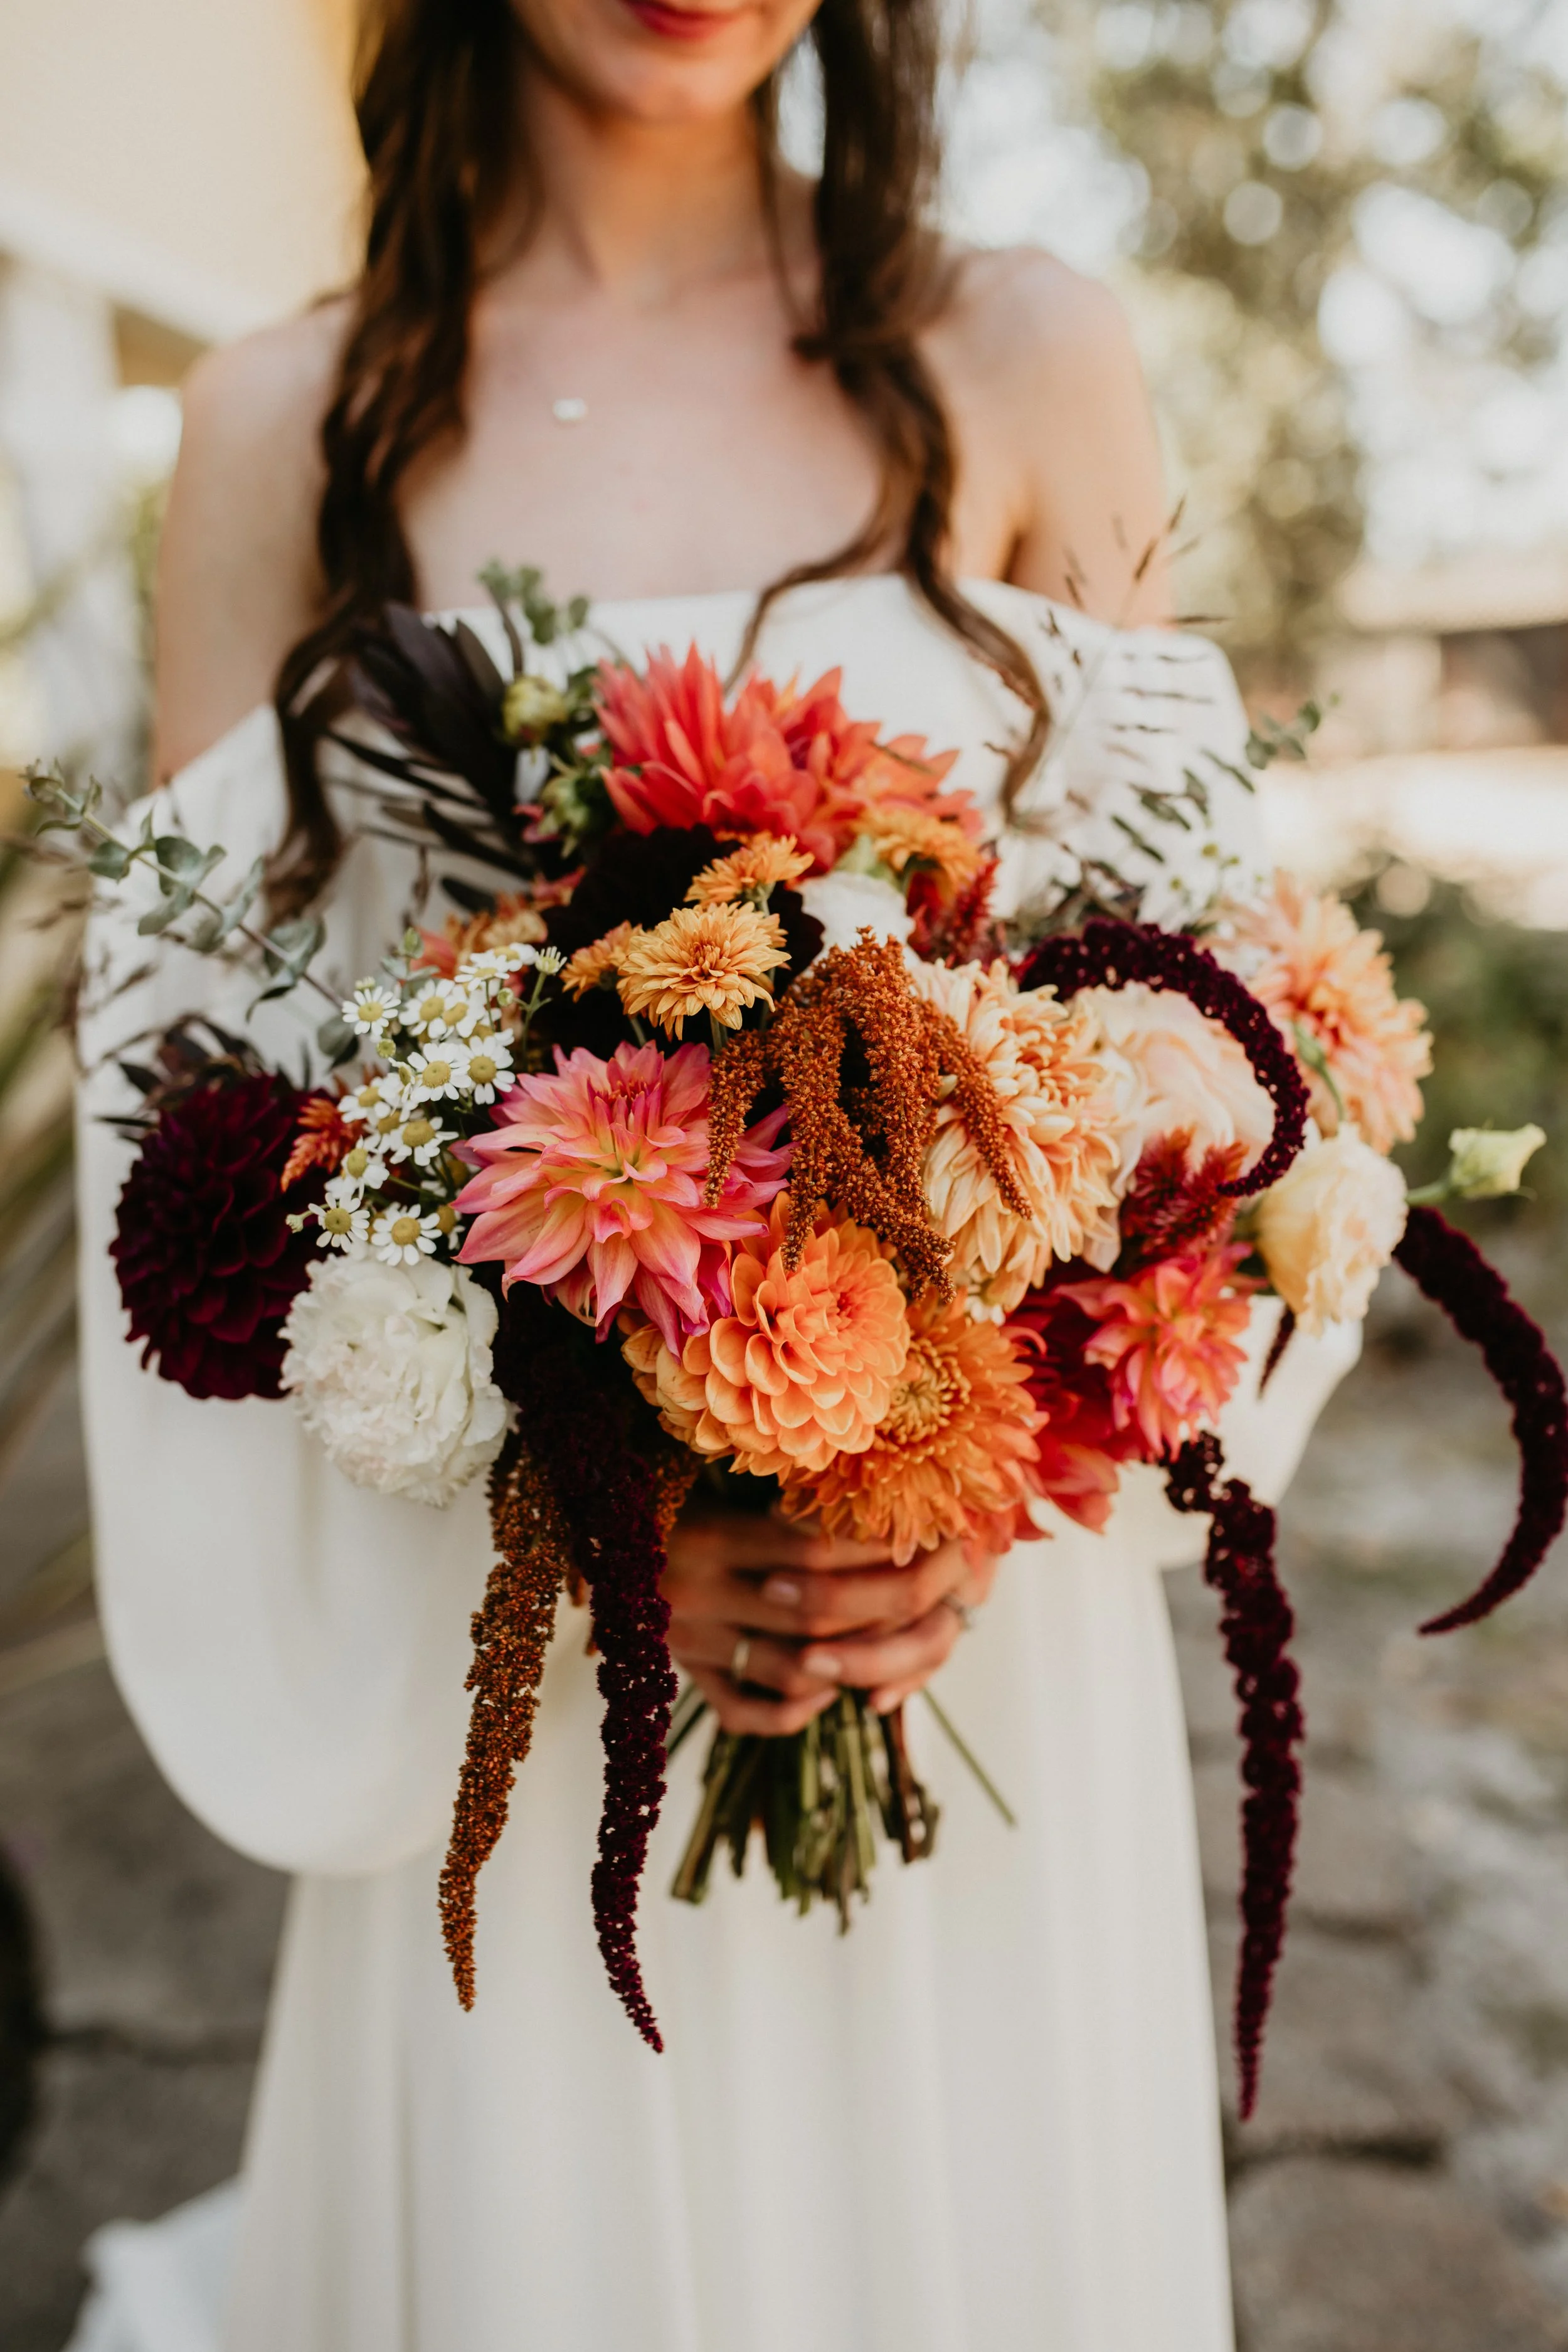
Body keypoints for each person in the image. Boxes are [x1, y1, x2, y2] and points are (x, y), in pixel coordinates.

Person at [74, 3, 1358, 2346]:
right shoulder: (288, 415)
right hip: (524, 1650)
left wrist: (977, 1444)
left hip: (955, 1622)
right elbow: (211, 1115)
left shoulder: (1022, 353)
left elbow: (1199, 1021)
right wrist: (560, 1445)